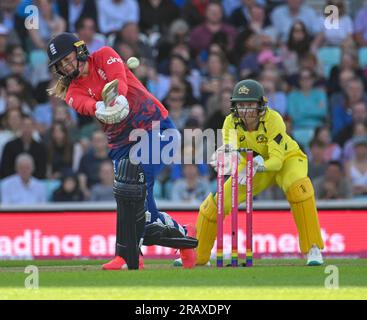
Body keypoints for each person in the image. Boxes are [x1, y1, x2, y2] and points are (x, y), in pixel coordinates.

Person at [46, 32, 197, 270]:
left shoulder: (105, 54)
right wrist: (99, 106)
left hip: (156, 127)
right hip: (120, 143)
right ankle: (146, 250)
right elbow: (86, 105)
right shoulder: (72, 93)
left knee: (137, 198)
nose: (65, 66)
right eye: (61, 64)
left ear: (80, 50)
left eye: (67, 59)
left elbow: (120, 82)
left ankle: (151, 249)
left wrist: (116, 100)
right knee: (129, 201)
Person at [195, 79, 324, 266]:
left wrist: (259, 164)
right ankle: (198, 255)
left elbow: (277, 161)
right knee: (216, 202)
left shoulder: (274, 120)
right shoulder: (230, 122)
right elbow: (231, 148)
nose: (245, 110)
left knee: (299, 189)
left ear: (260, 105)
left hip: (287, 160)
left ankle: (313, 248)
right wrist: (225, 154)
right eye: (241, 105)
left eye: (249, 105)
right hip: (250, 165)